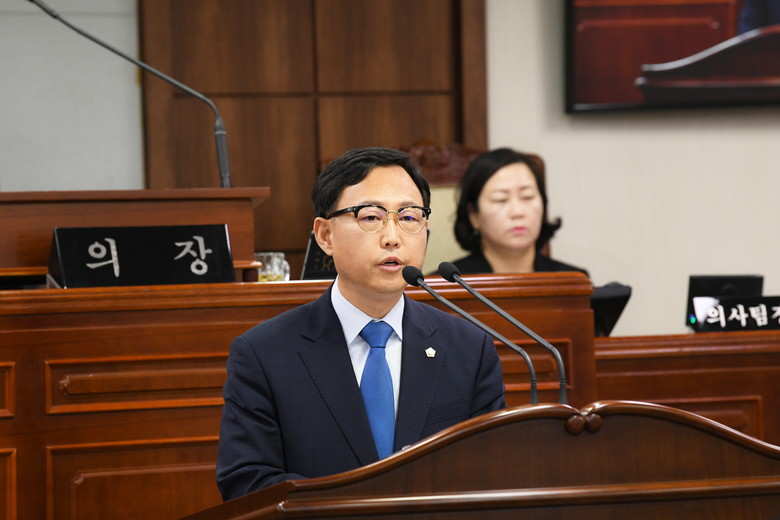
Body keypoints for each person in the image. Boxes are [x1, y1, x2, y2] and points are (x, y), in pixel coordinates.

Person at [216, 147, 506, 500]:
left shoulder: (468, 348)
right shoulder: (264, 354)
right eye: (371, 217)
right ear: (325, 236)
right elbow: (247, 482)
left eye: (409, 217)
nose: (393, 236)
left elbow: (493, 473)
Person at [450, 148, 588, 276]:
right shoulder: (449, 283)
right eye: (501, 199)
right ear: (474, 215)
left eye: (527, 197)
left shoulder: (574, 280)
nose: (517, 212)